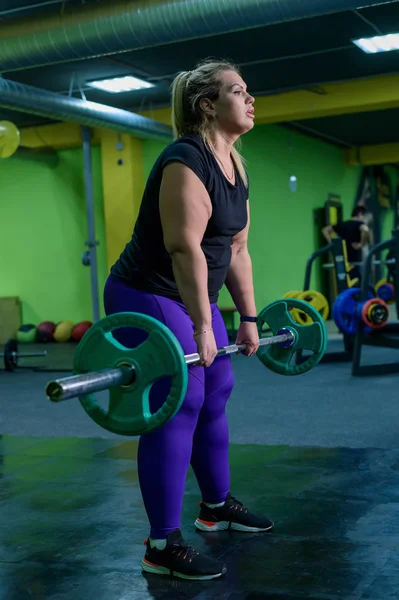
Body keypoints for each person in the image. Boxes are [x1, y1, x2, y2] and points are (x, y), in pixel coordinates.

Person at [103, 58, 273, 581]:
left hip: (191, 295)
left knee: (217, 387)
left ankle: (215, 505)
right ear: (208, 105)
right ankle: (161, 543)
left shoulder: (235, 167)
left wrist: (247, 317)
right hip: (147, 291)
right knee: (183, 398)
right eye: (238, 91)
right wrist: (203, 327)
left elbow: (237, 251)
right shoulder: (185, 159)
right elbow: (184, 250)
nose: (250, 100)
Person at [322, 206, 370, 282]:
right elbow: (366, 230)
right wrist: (361, 244)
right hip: (354, 261)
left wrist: (332, 244)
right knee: (357, 283)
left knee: (344, 281)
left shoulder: (343, 224)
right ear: (360, 214)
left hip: (342, 260)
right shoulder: (359, 224)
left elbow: (325, 230)